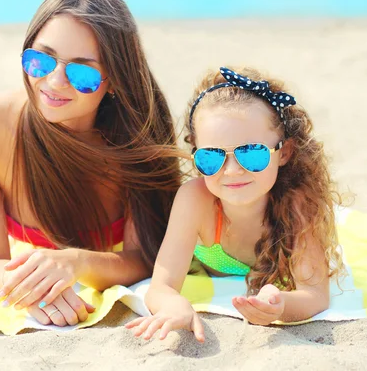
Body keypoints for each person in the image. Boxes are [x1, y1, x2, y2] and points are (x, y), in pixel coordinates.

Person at [0, 0, 181, 327]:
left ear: (115, 79)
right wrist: (35, 288)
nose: (55, 81)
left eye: (81, 71)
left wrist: (74, 264)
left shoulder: (138, 136)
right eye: (41, 59)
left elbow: (143, 259)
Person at [126, 66, 344, 342]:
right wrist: (174, 305)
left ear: (284, 152)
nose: (231, 170)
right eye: (212, 157)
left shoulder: (297, 204)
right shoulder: (195, 200)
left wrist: (280, 305)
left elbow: (315, 295)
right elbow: (161, 287)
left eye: (251, 153)